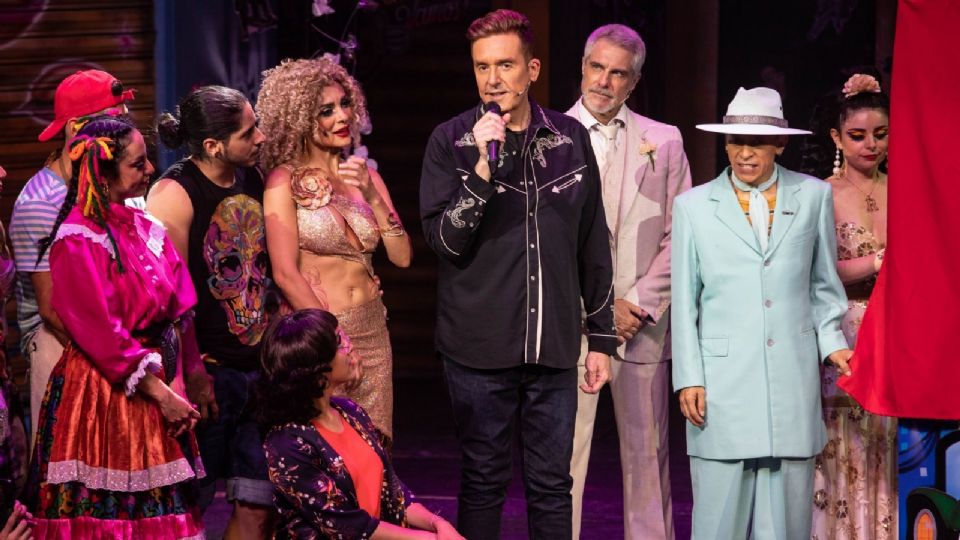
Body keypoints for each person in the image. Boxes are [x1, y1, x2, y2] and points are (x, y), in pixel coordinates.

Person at [419, 9, 616, 539]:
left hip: (552, 348)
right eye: (483, 67)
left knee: (553, 487)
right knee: (483, 480)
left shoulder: (571, 139)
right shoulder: (451, 141)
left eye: (505, 65)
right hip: (477, 349)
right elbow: (444, 242)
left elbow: (593, 242)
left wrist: (601, 338)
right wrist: (484, 169)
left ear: (531, 69)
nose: (493, 79)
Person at [672, 87, 852, 539]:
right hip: (721, 386)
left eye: (756, 143)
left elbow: (824, 285)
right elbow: (685, 300)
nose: (745, 153)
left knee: (785, 527)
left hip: (790, 383)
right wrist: (689, 376)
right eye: (736, 142)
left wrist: (834, 346)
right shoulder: (693, 207)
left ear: (780, 144)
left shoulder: (812, 196)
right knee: (717, 525)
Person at [23, 116, 204, 538]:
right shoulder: (77, 239)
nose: (150, 171)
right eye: (138, 164)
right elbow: (101, 335)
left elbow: (178, 302)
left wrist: (181, 377)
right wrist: (161, 392)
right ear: (103, 176)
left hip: (155, 380)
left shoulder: (142, 226)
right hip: (107, 392)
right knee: (114, 518)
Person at [565, 24, 690, 540]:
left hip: (641, 324)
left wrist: (635, 303)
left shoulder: (664, 140)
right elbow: (542, 243)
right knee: (564, 457)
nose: (604, 81)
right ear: (583, 67)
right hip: (570, 326)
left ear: (633, 82)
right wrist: (591, 308)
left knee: (648, 455)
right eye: (598, 67)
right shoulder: (547, 135)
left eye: (618, 73)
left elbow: (681, 234)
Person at [257, 57, 412, 441]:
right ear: (299, 119)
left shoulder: (366, 176)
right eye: (326, 110)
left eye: (345, 104)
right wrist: (332, 339)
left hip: (374, 333)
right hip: (323, 338)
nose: (342, 116)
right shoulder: (283, 180)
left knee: (376, 449)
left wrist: (374, 196)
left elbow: (402, 257)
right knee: (332, 451)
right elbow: (284, 273)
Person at [148, 85, 276, 539]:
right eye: (249, 131)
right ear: (212, 145)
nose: (260, 137)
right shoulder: (174, 195)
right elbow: (171, 299)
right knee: (193, 506)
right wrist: (193, 371)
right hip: (212, 377)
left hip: (258, 372)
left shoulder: (253, 178)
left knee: (259, 505)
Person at [259, 309, 463, 539]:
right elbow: (346, 524)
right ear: (316, 369)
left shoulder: (350, 411)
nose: (350, 347)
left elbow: (392, 490)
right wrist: (429, 539)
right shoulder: (287, 444)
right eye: (340, 343)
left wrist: (438, 524)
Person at [9, 70, 134, 440]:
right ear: (77, 128)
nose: (126, 133)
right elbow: (52, 310)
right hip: (58, 339)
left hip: (116, 334)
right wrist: (122, 363)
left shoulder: (121, 185)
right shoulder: (39, 203)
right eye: (116, 122)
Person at [802, 73, 896, 539]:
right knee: (843, 444)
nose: (870, 145)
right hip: (845, 331)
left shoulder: (905, 189)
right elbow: (814, 271)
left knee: (889, 441)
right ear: (837, 137)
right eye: (857, 136)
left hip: (897, 330)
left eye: (880, 134)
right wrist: (879, 260)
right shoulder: (821, 194)